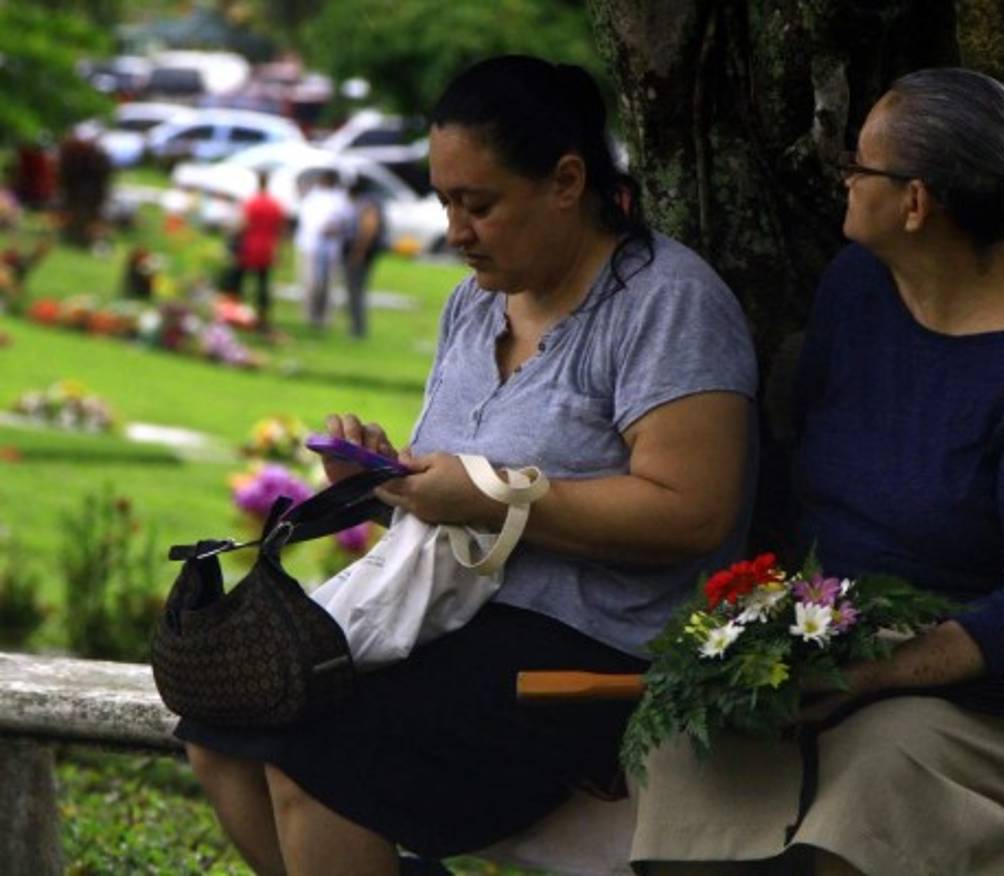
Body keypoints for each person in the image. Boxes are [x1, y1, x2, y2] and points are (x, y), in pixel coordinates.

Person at [177, 55, 758, 876]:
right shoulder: (474, 304)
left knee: (318, 761)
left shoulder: (667, 303)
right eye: (444, 201)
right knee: (218, 730)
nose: (455, 231)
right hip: (452, 619)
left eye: (478, 205)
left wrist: (491, 500)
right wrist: (383, 488)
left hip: (593, 647)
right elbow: (456, 496)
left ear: (566, 181)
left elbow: (692, 513)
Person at [633, 68, 1004, 875]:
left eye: (859, 164)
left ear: (914, 203)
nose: (844, 176)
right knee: (692, 743)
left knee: (880, 757)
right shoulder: (858, 288)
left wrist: (878, 674)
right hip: (854, 640)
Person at [227, 172, 285, 331]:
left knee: (237, 282)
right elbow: (280, 229)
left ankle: (234, 314)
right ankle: (263, 317)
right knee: (262, 285)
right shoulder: (276, 204)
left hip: (249, 247)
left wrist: (231, 236)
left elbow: (242, 224)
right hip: (267, 248)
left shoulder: (251, 202)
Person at [294, 168, 348, 329]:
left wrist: (334, 228)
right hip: (310, 246)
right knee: (311, 282)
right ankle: (310, 314)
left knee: (327, 284)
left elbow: (344, 221)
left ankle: (324, 317)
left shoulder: (339, 199)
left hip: (330, 247)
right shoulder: (312, 196)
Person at [341, 178, 387, 338]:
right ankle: (356, 327)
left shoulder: (366, 203)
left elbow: (368, 228)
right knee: (356, 290)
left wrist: (358, 251)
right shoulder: (371, 201)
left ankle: (357, 329)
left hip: (361, 253)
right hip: (363, 252)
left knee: (355, 290)